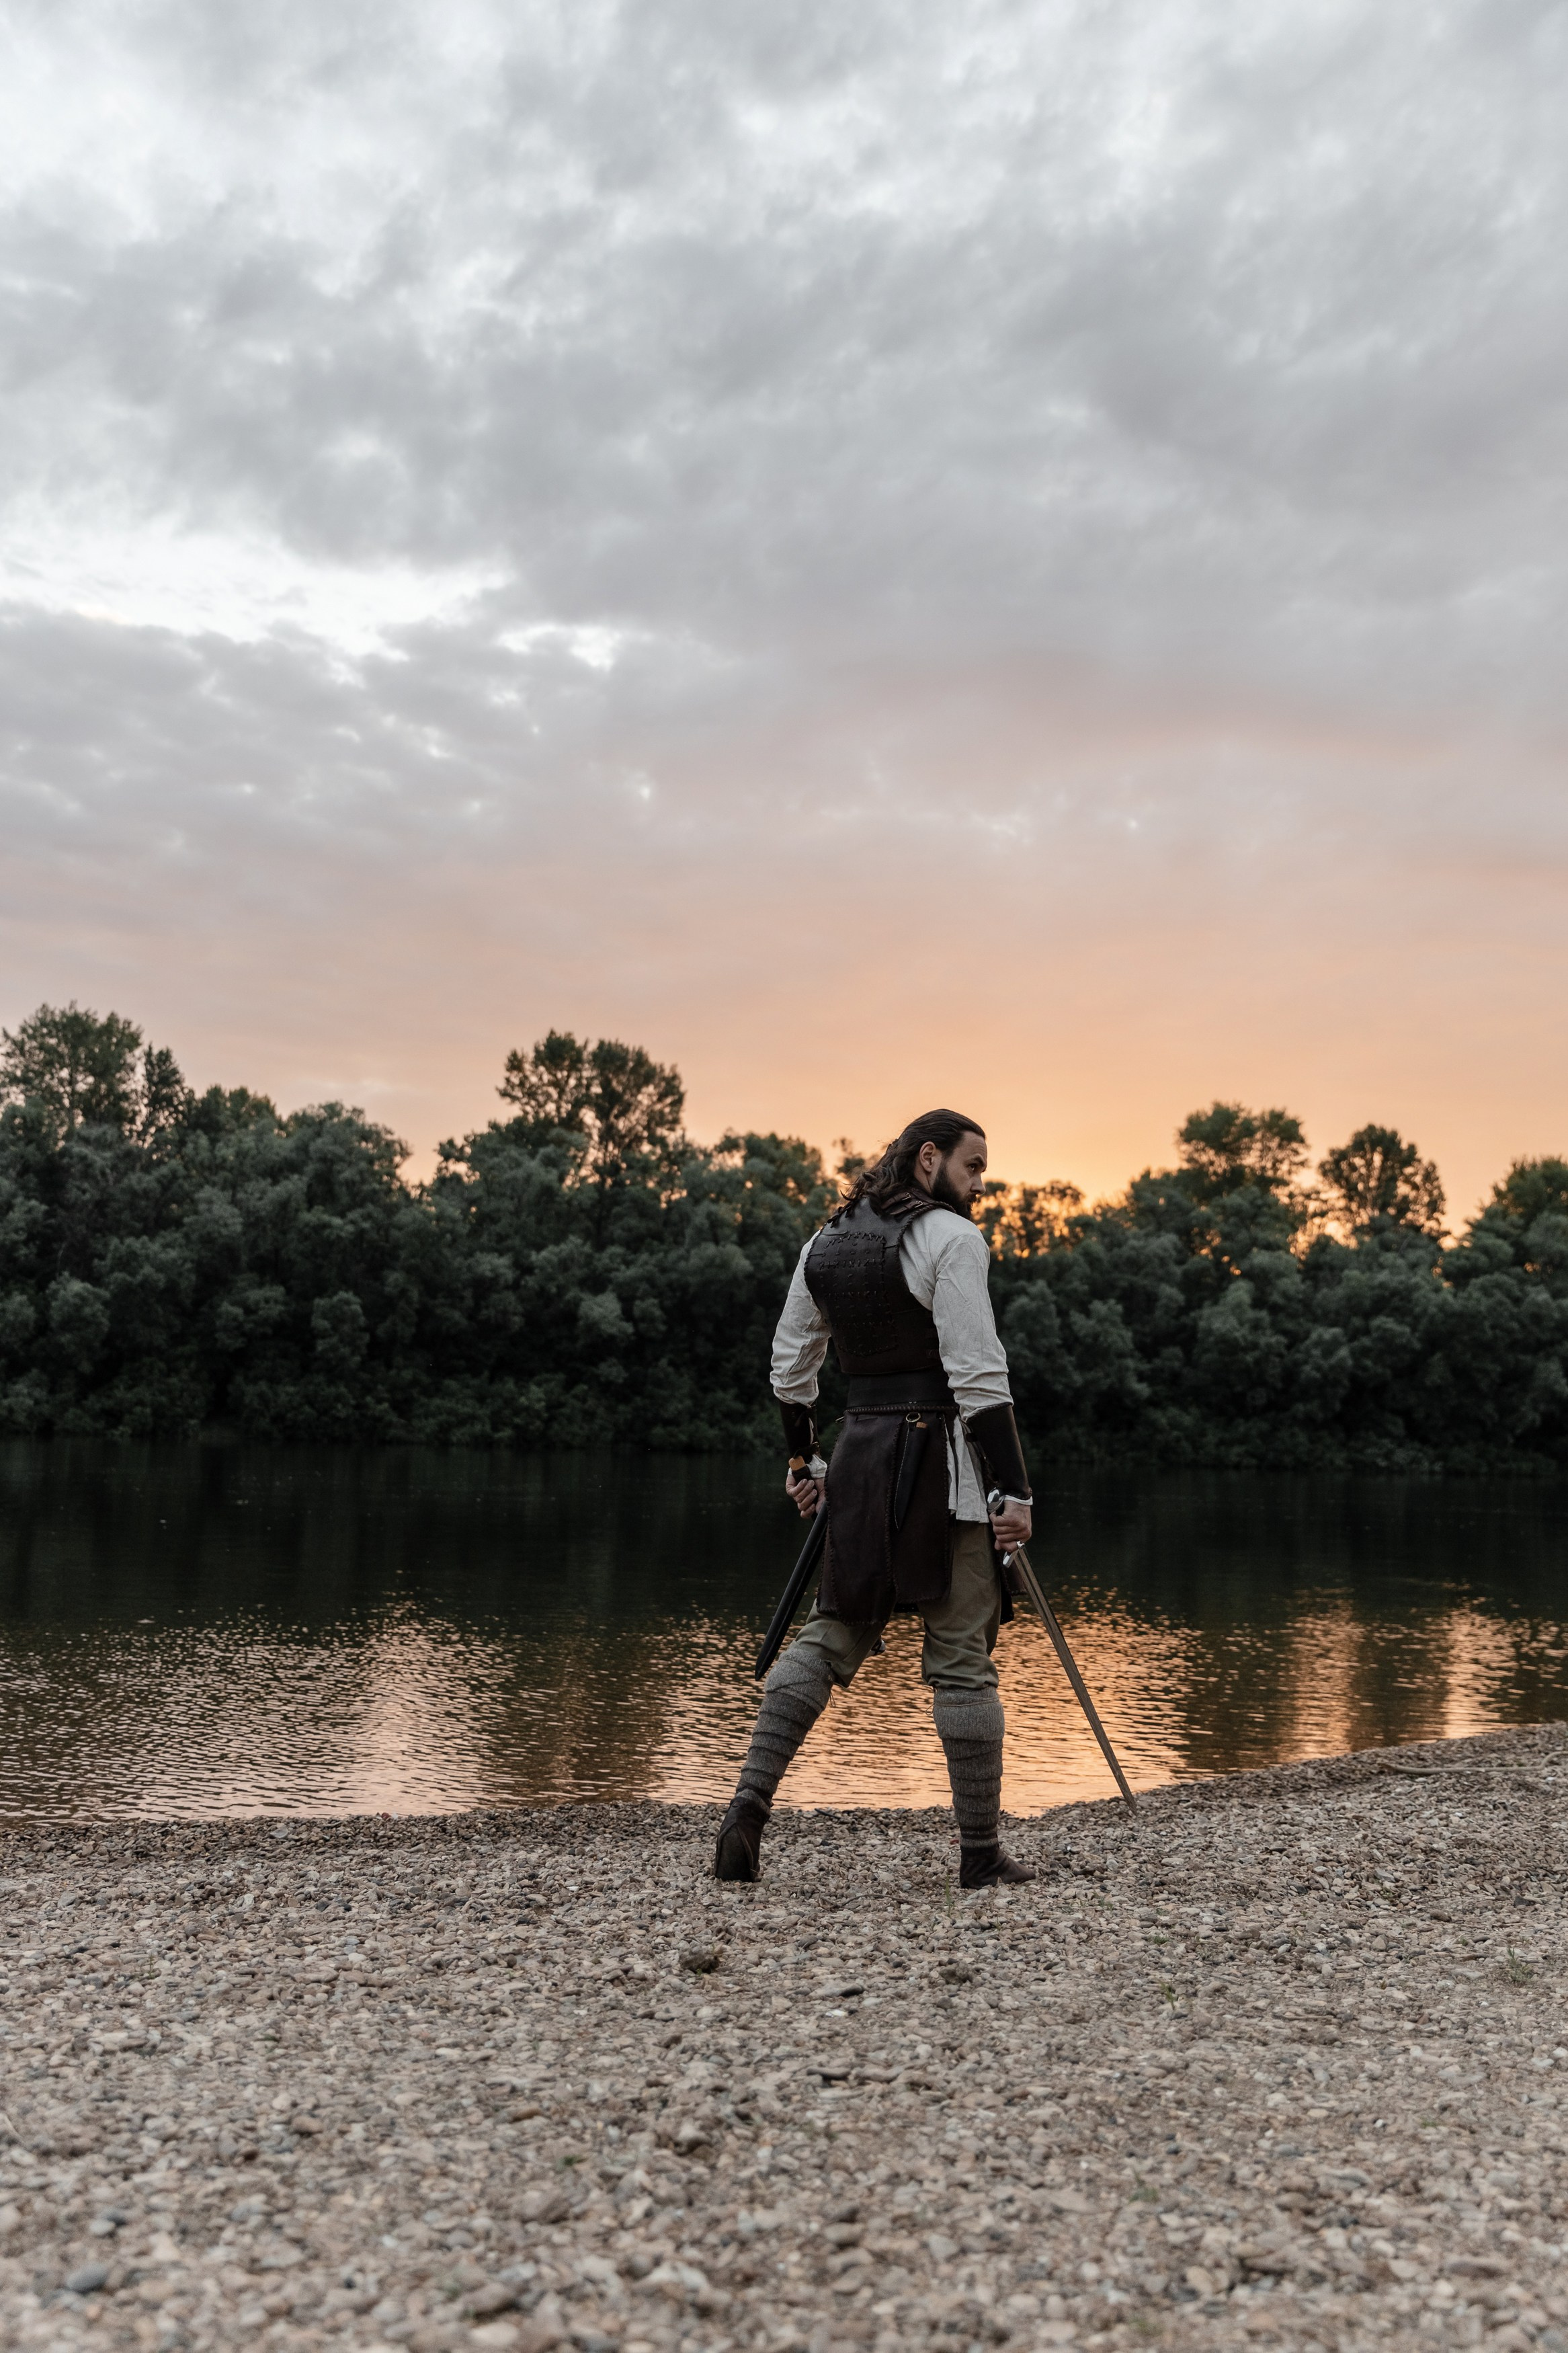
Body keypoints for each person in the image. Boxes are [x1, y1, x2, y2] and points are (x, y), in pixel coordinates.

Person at [714, 1108, 1038, 1889]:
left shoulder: (822, 1242)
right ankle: (979, 1852)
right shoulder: (953, 1240)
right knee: (962, 1659)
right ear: (928, 1158)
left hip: (859, 1459)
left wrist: (805, 1460)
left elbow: (789, 1370)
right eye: (972, 1167)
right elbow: (977, 1376)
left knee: (827, 1634)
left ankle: (746, 1809)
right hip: (946, 1465)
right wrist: (1012, 1488)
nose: (980, 1185)